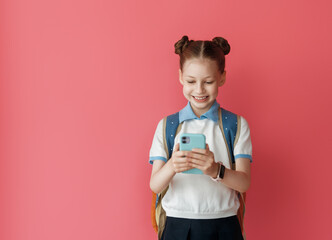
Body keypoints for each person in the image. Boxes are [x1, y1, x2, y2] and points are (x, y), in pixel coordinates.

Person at [149, 35, 253, 240]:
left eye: (208, 81)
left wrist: (216, 170)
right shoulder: (167, 126)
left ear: (222, 77)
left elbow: (244, 183)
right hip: (177, 225)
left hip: (225, 224)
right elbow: (155, 185)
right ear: (180, 77)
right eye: (190, 81)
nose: (199, 89)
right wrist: (172, 166)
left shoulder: (236, 124)